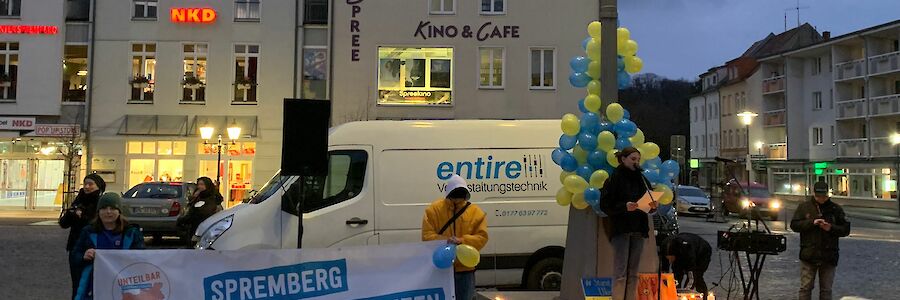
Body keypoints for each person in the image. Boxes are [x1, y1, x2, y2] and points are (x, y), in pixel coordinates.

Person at [600, 146, 657, 300]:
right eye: (633, 159)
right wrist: (624, 207)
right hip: (622, 228)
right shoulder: (614, 178)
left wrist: (652, 206)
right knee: (620, 272)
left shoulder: (642, 179)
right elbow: (605, 204)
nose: (636, 162)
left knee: (634, 272)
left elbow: (649, 198)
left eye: (638, 159)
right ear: (623, 159)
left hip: (638, 227)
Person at [422, 174, 488, 300]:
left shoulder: (476, 212)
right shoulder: (434, 211)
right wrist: (446, 241)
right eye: (456, 193)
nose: (458, 198)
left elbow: (482, 237)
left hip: (465, 271)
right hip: (442, 269)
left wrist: (462, 241)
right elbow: (427, 236)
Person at [71, 192, 145, 300]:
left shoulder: (131, 233)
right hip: (94, 285)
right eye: (104, 208)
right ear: (98, 211)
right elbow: (74, 256)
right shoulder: (88, 231)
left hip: (124, 286)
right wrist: (84, 256)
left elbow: (142, 259)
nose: (108, 212)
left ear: (119, 212)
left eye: (113, 208)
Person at [791, 180, 850, 300]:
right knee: (806, 287)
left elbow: (845, 229)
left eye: (824, 196)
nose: (821, 199)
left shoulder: (835, 209)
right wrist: (812, 222)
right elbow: (795, 225)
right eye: (819, 196)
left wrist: (830, 228)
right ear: (814, 194)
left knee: (826, 290)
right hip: (809, 254)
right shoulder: (804, 207)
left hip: (828, 255)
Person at [58, 173, 106, 299]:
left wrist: (83, 216)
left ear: (98, 186)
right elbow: (64, 223)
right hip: (76, 247)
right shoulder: (78, 199)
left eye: (91, 184)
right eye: (85, 183)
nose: (87, 187)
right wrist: (71, 215)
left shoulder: (101, 202)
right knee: (77, 283)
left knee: (95, 283)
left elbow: (97, 223)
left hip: (95, 247)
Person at [178, 177, 224, 247]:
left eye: (202, 184)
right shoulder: (197, 196)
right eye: (198, 184)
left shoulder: (211, 198)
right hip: (194, 228)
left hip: (205, 228)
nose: (199, 187)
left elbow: (202, 212)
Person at [663, 232, 712, 299]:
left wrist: (685, 294)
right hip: (682, 251)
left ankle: (704, 296)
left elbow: (692, 275)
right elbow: (667, 273)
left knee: (697, 276)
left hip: (702, 252)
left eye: (671, 258)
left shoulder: (687, 252)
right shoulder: (665, 246)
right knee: (677, 274)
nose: (670, 261)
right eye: (668, 258)